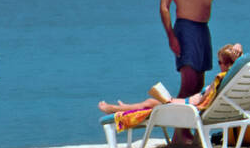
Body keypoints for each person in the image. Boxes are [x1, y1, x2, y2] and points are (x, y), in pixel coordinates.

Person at [98, 43, 242, 121]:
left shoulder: (219, 78)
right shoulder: (234, 76)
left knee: (149, 103)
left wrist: (173, 101)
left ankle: (113, 109)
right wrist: (237, 48)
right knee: (150, 104)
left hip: (191, 109)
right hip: (196, 106)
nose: (218, 64)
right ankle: (125, 107)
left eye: (219, 62)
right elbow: (239, 50)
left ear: (226, 64)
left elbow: (200, 102)